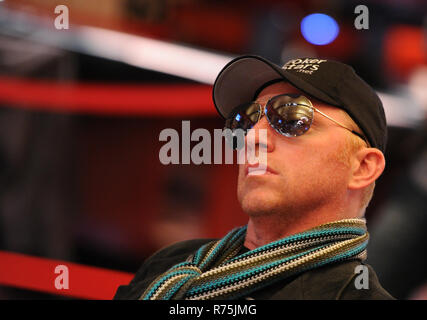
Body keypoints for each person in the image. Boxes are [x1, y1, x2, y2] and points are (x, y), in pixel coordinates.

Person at [114, 55, 394, 300]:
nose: (253, 137)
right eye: (245, 120)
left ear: (363, 168)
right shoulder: (173, 263)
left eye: (291, 116)